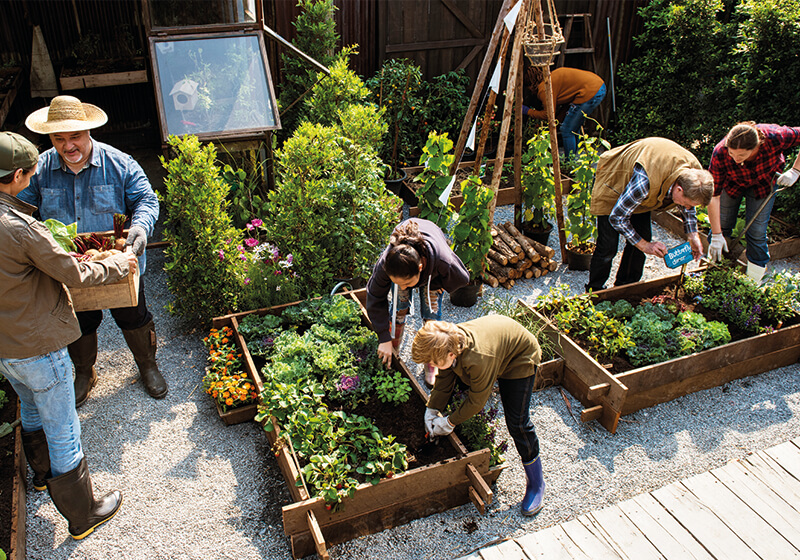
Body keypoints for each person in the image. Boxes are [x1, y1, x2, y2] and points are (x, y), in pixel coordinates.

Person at [0, 131, 137, 539]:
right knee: (63, 427)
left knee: (28, 406)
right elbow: (74, 271)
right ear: (21, 174)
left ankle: (41, 477)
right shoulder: (20, 227)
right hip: (37, 344)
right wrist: (121, 264)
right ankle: (84, 514)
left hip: (6, 346)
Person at [20, 95, 167, 404]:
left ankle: (147, 364)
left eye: (75, 136)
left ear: (88, 132)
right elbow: (21, 209)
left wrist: (139, 228)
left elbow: (146, 200)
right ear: (50, 138)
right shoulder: (41, 168)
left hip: (116, 260)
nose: (67, 145)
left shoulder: (119, 163)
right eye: (59, 138)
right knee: (78, 322)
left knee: (133, 315)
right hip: (69, 264)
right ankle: (85, 372)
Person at [412, 315, 545, 516]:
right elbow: (444, 381)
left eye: (433, 361)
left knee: (518, 423)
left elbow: (477, 401)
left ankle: (536, 484)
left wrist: (449, 421)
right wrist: (431, 409)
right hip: (497, 348)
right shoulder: (448, 344)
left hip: (520, 357)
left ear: (450, 354)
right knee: (454, 384)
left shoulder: (479, 359)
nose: (432, 365)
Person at [586, 137, 714, 292]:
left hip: (641, 194)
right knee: (608, 247)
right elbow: (617, 217)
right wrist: (645, 245)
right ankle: (595, 291)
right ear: (679, 189)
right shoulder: (645, 181)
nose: (687, 208)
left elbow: (689, 205)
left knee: (642, 237)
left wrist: (693, 235)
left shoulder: (694, 175)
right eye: (686, 204)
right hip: (614, 184)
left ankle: (625, 287)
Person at [365, 218, 469, 386]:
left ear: (420, 268)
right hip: (408, 264)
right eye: (397, 282)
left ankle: (432, 360)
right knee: (399, 309)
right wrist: (383, 337)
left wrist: (439, 283)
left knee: (431, 316)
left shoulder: (442, 260)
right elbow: (375, 296)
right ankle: (393, 350)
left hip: (432, 272)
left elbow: (463, 278)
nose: (402, 287)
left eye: (406, 283)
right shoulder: (386, 264)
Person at [706, 122, 800, 282]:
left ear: (757, 147)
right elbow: (713, 196)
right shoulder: (720, 152)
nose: (735, 159)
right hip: (732, 183)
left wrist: (796, 170)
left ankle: (753, 283)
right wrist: (716, 235)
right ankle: (713, 274)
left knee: (756, 232)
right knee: (722, 224)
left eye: (741, 156)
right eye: (732, 154)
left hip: (764, 184)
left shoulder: (775, 137)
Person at [522, 66, 606, 158]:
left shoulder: (544, 88)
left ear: (531, 84)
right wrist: (558, 119)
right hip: (598, 85)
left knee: (567, 130)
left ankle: (569, 163)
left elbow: (548, 114)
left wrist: (528, 111)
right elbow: (566, 105)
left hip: (590, 92)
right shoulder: (552, 78)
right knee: (574, 129)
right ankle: (573, 158)